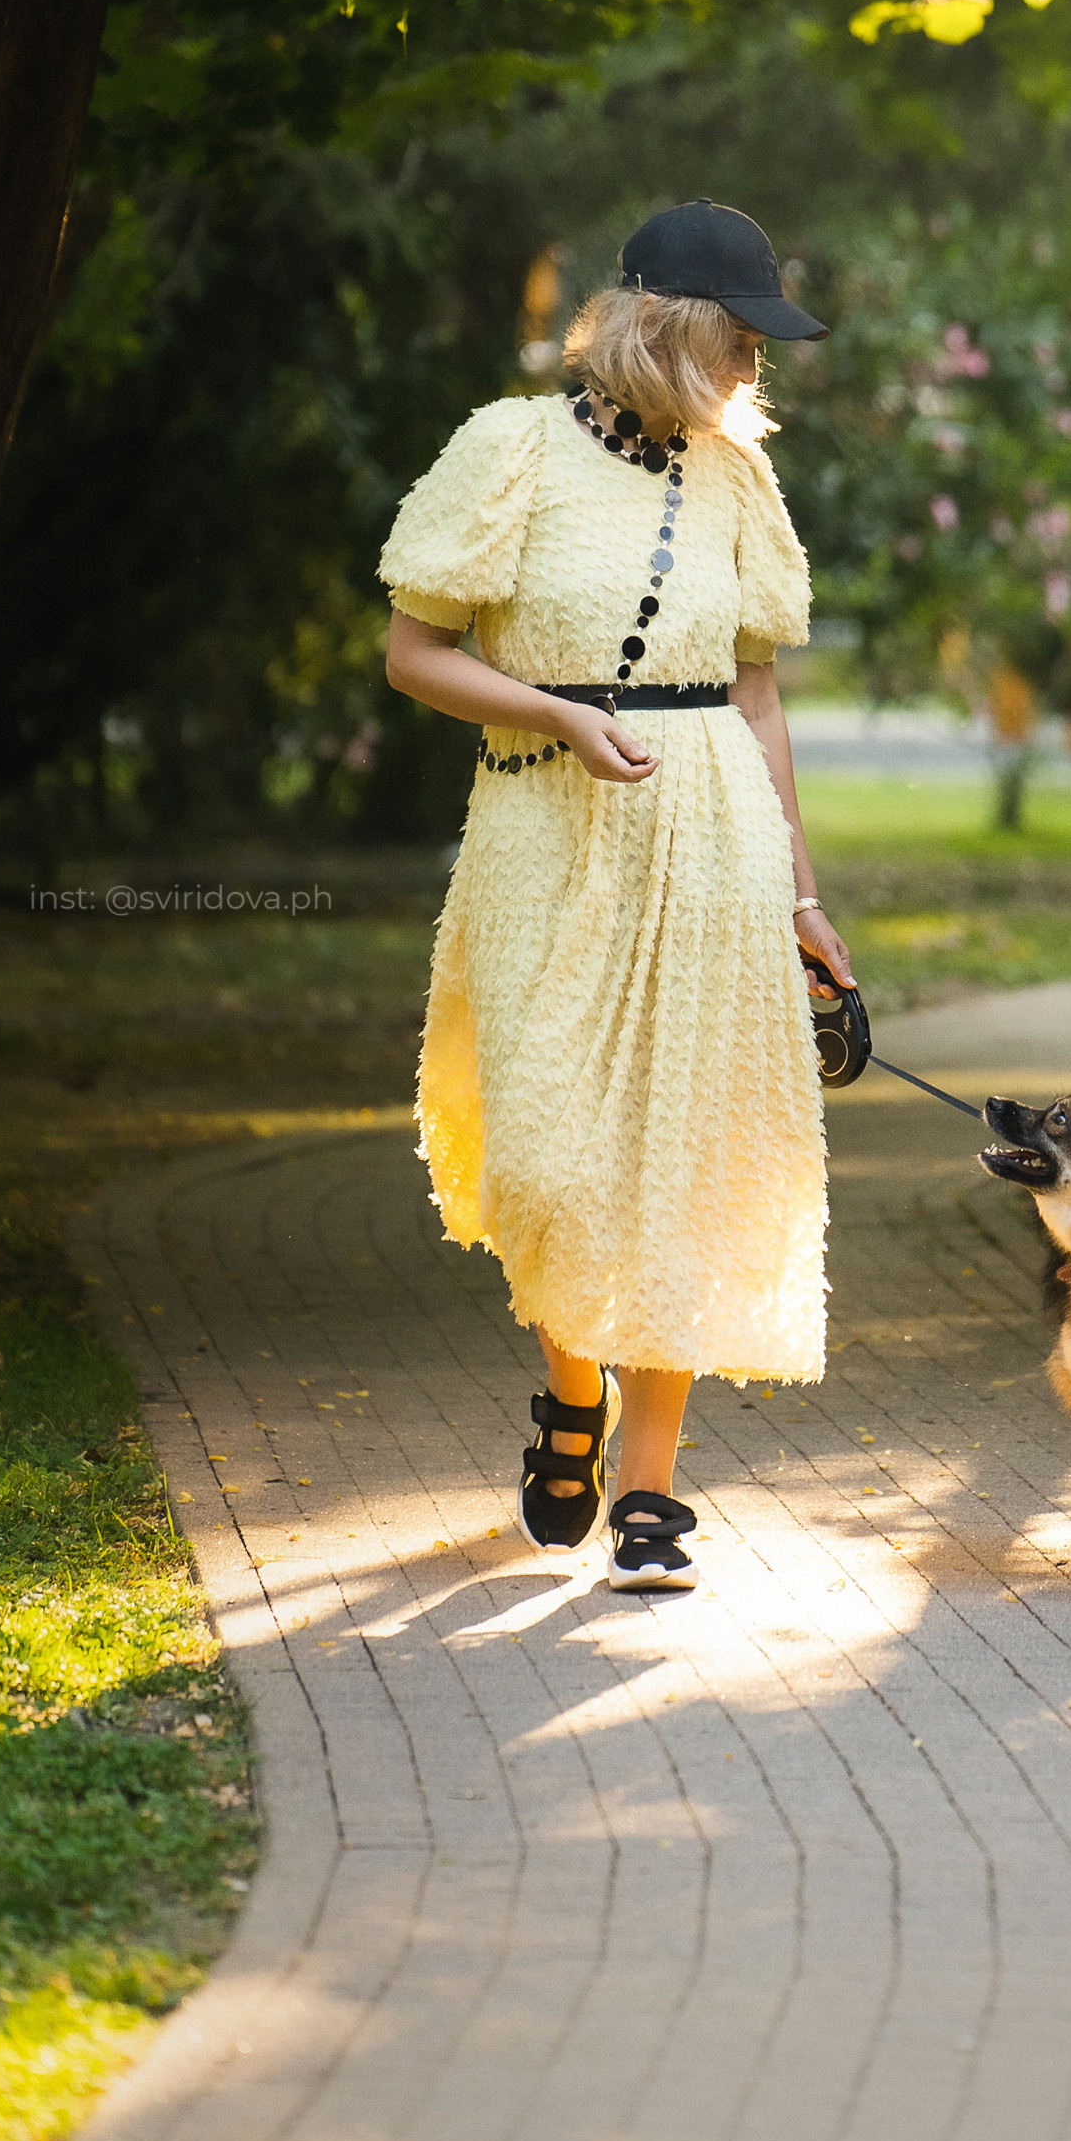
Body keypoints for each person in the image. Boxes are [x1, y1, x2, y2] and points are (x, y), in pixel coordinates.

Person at [380, 200, 855, 1591]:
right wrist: (560, 713)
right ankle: (570, 1390)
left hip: (709, 842)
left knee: (684, 1162)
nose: (756, 372)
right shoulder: (507, 448)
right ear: (675, 331)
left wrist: (799, 895)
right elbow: (415, 651)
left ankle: (650, 1491)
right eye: (742, 343)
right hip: (546, 830)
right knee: (554, 1162)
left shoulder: (738, 484)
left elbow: (757, 696)